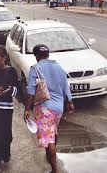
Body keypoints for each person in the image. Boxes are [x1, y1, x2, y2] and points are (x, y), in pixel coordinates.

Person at [24, 44, 74, 173]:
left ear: (37, 56)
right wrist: (70, 102)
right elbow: (65, 87)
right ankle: (51, 154)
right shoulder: (59, 67)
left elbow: (31, 91)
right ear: (47, 54)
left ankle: (55, 169)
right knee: (53, 132)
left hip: (44, 109)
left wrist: (26, 109)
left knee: (48, 139)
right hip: (58, 109)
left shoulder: (36, 68)